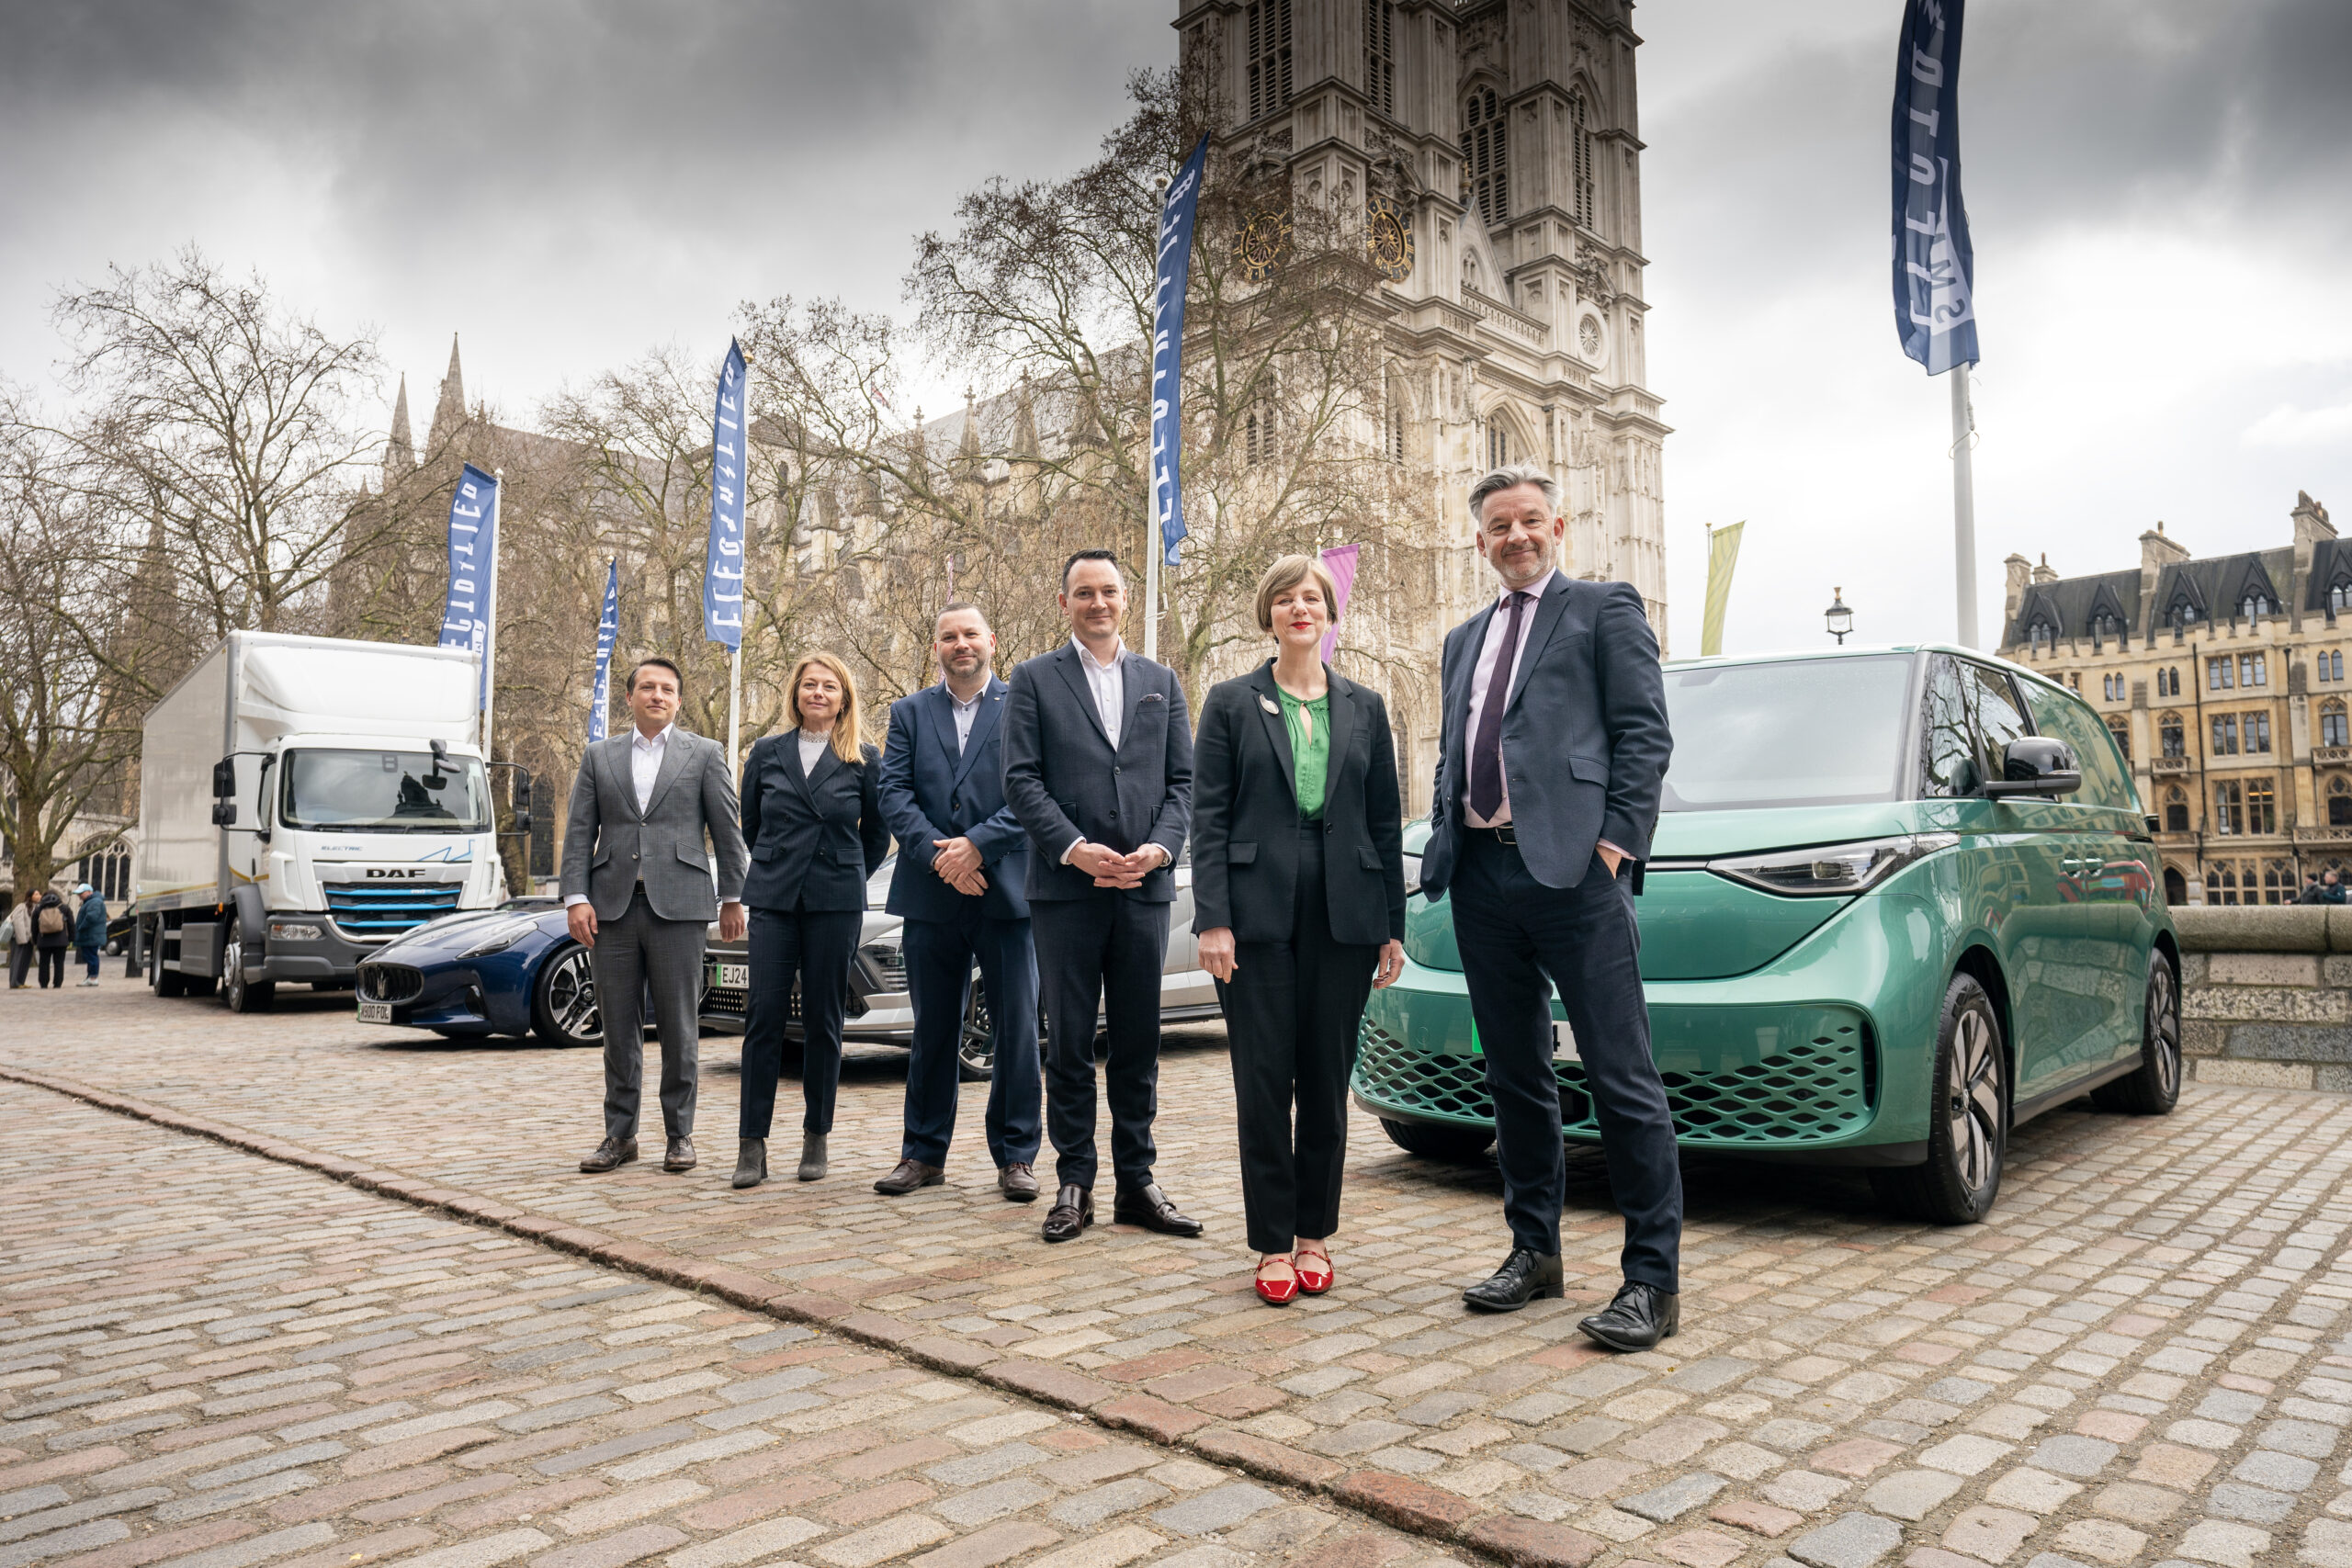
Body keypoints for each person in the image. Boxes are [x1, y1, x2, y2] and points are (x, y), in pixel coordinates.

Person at [1419, 461, 1679, 1350]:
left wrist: (1614, 849)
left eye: (1530, 520)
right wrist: (1441, 827)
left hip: (1576, 876)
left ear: (1556, 527)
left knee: (1619, 1073)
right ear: (1481, 539)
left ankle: (1651, 1279)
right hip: (1483, 878)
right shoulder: (1461, 639)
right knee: (1514, 1077)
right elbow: (1457, 747)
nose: (1516, 536)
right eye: (1499, 525)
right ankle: (1534, 1251)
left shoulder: (1603, 609)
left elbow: (1645, 733)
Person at [1191, 556, 1408, 1304]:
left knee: (1325, 1078)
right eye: (1285, 599)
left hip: (1345, 912)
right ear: (1269, 615)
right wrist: (1212, 916)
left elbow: (1384, 820)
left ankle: (1315, 1233)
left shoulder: (1365, 706)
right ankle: (1271, 1243)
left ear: (1329, 612)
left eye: (1311, 597)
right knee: (1262, 1078)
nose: (1299, 608)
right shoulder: (1229, 702)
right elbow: (1209, 817)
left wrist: (1391, 927)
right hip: (1253, 916)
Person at [1002, 548, 1198, 1244]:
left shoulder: (1160, 680)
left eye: (1109, 590)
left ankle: (1137, 1182)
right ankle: (1074, 1180)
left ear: (1125, 597)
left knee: (1140, 1042)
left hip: (1144, 888)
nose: (1098, 602)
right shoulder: (1031, 679)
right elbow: (1021, 780)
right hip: (1066, 891)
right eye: (1084, 592)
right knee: (1070, 1043)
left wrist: (1161, 848)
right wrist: (1075, 849)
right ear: (1066, 603)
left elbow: (1184, 782)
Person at [873, 604, 1041, 1201]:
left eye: (970, 633)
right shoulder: (909, 713)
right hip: (930, 893)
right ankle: (922, 1153)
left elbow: (1035, 787)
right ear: (936, 646)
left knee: (1017, 1030)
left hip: (1008, 893)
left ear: (990, 641)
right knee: (934, 1030)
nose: (961, 643)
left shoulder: (1023, 703)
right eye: (949, 635)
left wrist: (977, 846)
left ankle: (1017, 1155)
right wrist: (941, 857)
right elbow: (891, 791)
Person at [561, 657, 749, 1177]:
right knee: (618, 1026)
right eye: (648, 687)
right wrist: (576, 896)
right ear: (630, 697)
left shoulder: (705, 754)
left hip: (681, 907)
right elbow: (579, 832)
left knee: (679, 1026)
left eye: (668, 688)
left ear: (679, 700)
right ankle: (620, 1135)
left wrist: (734, 897)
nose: (657, 695)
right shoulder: (600, 756)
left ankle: (679, 1135)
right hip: (612, 908)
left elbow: (728, 834)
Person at [735, 651, 890, 1189]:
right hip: (775, 899)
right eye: (809, 685)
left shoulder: (863, 759)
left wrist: (840, 875)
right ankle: (751, 1144)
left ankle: (815, 1136)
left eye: (829, 686)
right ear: (795, 694)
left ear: (844, 696)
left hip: (836, 900)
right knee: (764, 1018)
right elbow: (750, 824)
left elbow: (875, 837)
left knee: (824, 1019)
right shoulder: (767, 752)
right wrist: (783, 866)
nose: (818, 693)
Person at [34, 890, 70, 989]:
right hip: (61, 941)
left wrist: (35, 940)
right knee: (59, 963)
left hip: (44, 940)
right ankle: (57, 983)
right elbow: (71, 924)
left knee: (44, 963)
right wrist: (70, 939)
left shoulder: (38, 909)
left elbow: (34, 927)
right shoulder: (64, 908)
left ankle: (44, 983)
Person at [73, 882, 106, 987]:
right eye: (79, 893)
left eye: (82, 893)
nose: (79, 895)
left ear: (89, 892)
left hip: (91, 935)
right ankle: (90, 976)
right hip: (90, 935)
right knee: (89, 956)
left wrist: (81, 927)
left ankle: (93, 977)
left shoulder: (94, 902)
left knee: (91, 956)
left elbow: (91, 917)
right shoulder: (91, 901)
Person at [6, 892, 31, 989]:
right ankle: (14, 982)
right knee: (17, 960)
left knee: (25, 961)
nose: (39, 896)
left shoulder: (34, 907)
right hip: (20, 939)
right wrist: (22, 938)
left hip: (29, 938)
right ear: (30, 896)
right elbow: (18, 922)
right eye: (37, 894)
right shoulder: (21, 907)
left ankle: (20, 981)